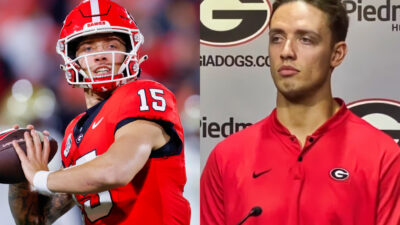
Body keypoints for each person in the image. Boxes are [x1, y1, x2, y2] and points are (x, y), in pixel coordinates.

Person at [201, 0, 400, 224]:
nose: (286, 51)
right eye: (277, 38)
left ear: (337, 54)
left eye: (305, 39)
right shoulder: (226, 158)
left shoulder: (383, 157)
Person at [8, 0, 191, 224]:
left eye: (112, 45)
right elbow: (34, 219)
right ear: (71, 59)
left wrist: (40, 177)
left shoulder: (143, 94)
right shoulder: (75, 132)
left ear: (129, 52)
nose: (101, 55)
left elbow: (115, 171)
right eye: (88, 48)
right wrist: (20, 171)